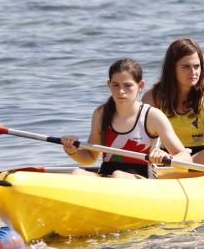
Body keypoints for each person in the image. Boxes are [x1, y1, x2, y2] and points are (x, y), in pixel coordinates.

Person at [61, 58, 191, 178]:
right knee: (77, 173)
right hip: (107, 177)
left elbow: (186, 157)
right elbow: (90, 157)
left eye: (127, 85)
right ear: (109, 84)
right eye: (115, 85)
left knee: (118, 175)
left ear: (140, 86)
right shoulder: (100, 114)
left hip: (141, 180)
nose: (121, 91)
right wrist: (72, 151)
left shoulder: (153, 117)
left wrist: (167, 157)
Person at [145, 38, 204, 166]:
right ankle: (178, 167)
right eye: (186, 67)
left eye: (196, 66)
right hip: (167, 155)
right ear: (172, 69)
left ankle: (180, 167)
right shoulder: (153, 97)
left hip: (202, 155)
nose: (193, 72)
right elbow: (141, 135)